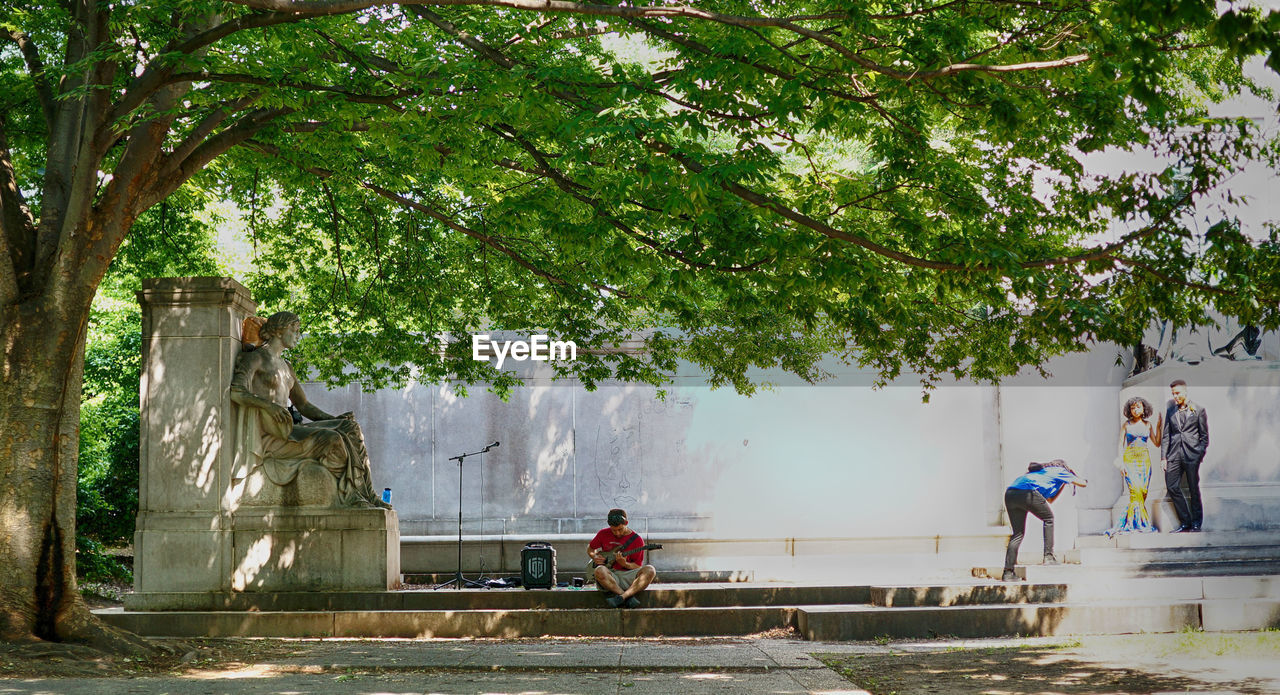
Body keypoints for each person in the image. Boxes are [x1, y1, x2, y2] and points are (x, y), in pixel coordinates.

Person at [230, 311, 389, 509]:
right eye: (294, 330)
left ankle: (367, 493)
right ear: (279, 331)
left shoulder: (286, 366)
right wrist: (268, 405)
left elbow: (304, 406)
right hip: (273, 434)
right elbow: (236, 392)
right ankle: (351, 496)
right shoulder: (256, 359)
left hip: (288, 427)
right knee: (333, 440)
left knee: (350, 428)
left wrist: (336, 420)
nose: (298, 335)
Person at [1001, 460, 1087, 581]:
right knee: (1049, 519)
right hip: (1027, 493)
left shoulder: (1042, 472)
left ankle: (1008, 573)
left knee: (1017, 534)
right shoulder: (1061, 471)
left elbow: (1050, 499)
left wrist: (1062, 483)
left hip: (1010, 493)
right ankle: (1048, 557)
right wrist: (1071, 478)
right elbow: (1082, 483)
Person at [1106, 397, 1161, 536]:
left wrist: (1159, 427)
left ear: (1144, 408)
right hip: (1130, 460)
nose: (1135, 410)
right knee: (1135, 491)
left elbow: (1157, 442)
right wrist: (1121, 463)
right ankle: (1136, 523)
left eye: (1138, 407)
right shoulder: (1126, 424)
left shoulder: (1148, 425)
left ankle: (1137, 522)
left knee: (1142, 491)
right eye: (1132, 408)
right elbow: (1120, 444)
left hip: (1144, 461)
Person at [1161, 379, 1209, 532]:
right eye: (1173, 394)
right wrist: (1164, 457)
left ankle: (1196, 523)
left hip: (1191, 455)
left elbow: (1204, 436)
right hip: (1174, 454)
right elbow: (1166, 435)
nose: (1175, 396)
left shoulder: (1199, 410)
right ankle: (1185, 521)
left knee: (1193, 488)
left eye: (1177, 393)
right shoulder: (1171, 411)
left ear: (1185, 391)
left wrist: (1199, 454)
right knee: (1172, 485)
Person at [588, 508, 657, 608]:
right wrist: (594, 556)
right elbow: (590, 548)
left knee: (650, 570)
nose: (617, 533)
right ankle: (627, 597)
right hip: (610, 576)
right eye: (613, 530)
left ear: (626, 523)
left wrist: (624, 564)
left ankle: (621, 597)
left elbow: (637, 566)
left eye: (620, 529)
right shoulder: (603, 533)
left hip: (628, 576)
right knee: (599, 570)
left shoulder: (637, 540)